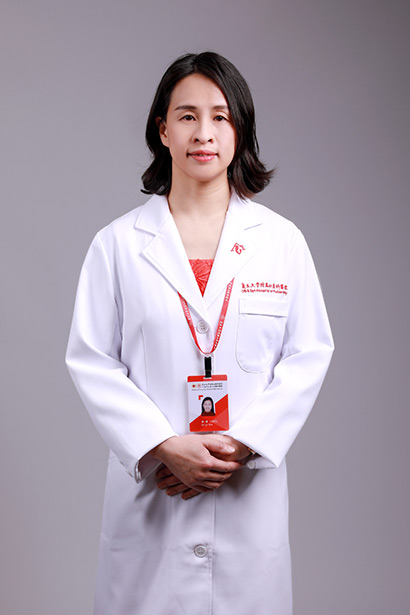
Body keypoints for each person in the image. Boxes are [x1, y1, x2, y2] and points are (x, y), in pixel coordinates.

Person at [66, 51, 334, 615]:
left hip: (245, 491)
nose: (203, 133)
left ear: (240, 130)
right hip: (153, 495)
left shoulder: (280, 241)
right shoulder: (117, 245)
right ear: (162, 130)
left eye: (220, 116)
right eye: (186, 116)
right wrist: (163, 446)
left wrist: (239, 446)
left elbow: (308, 354)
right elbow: (91, 360)